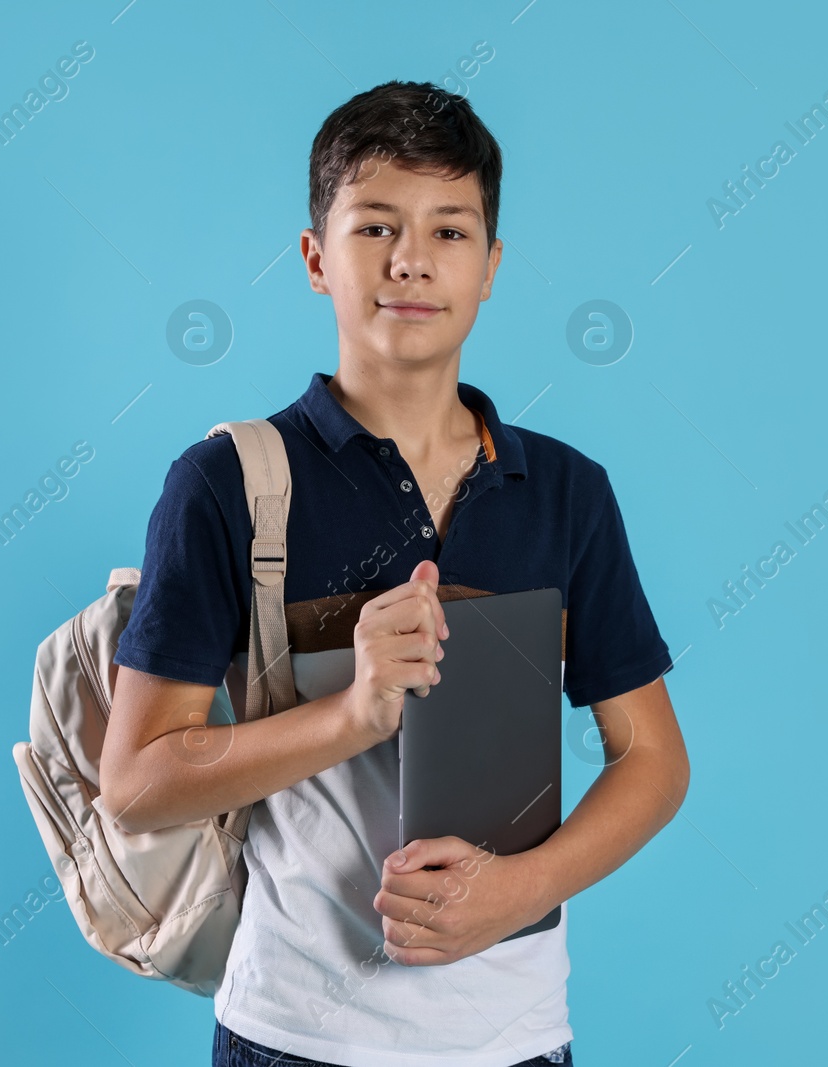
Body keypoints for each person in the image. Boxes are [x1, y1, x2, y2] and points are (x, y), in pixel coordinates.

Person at [100, 80, 690, 1067]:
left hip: (517, 1038)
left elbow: (652, 759)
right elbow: (136, 780)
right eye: (375, 225)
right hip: (293, 1034)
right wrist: (354, 711)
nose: (410, 259)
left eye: (449, 231)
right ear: (315, 257)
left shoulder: (564, 490)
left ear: (491, 265)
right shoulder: (229, 484)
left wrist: (521, 886)